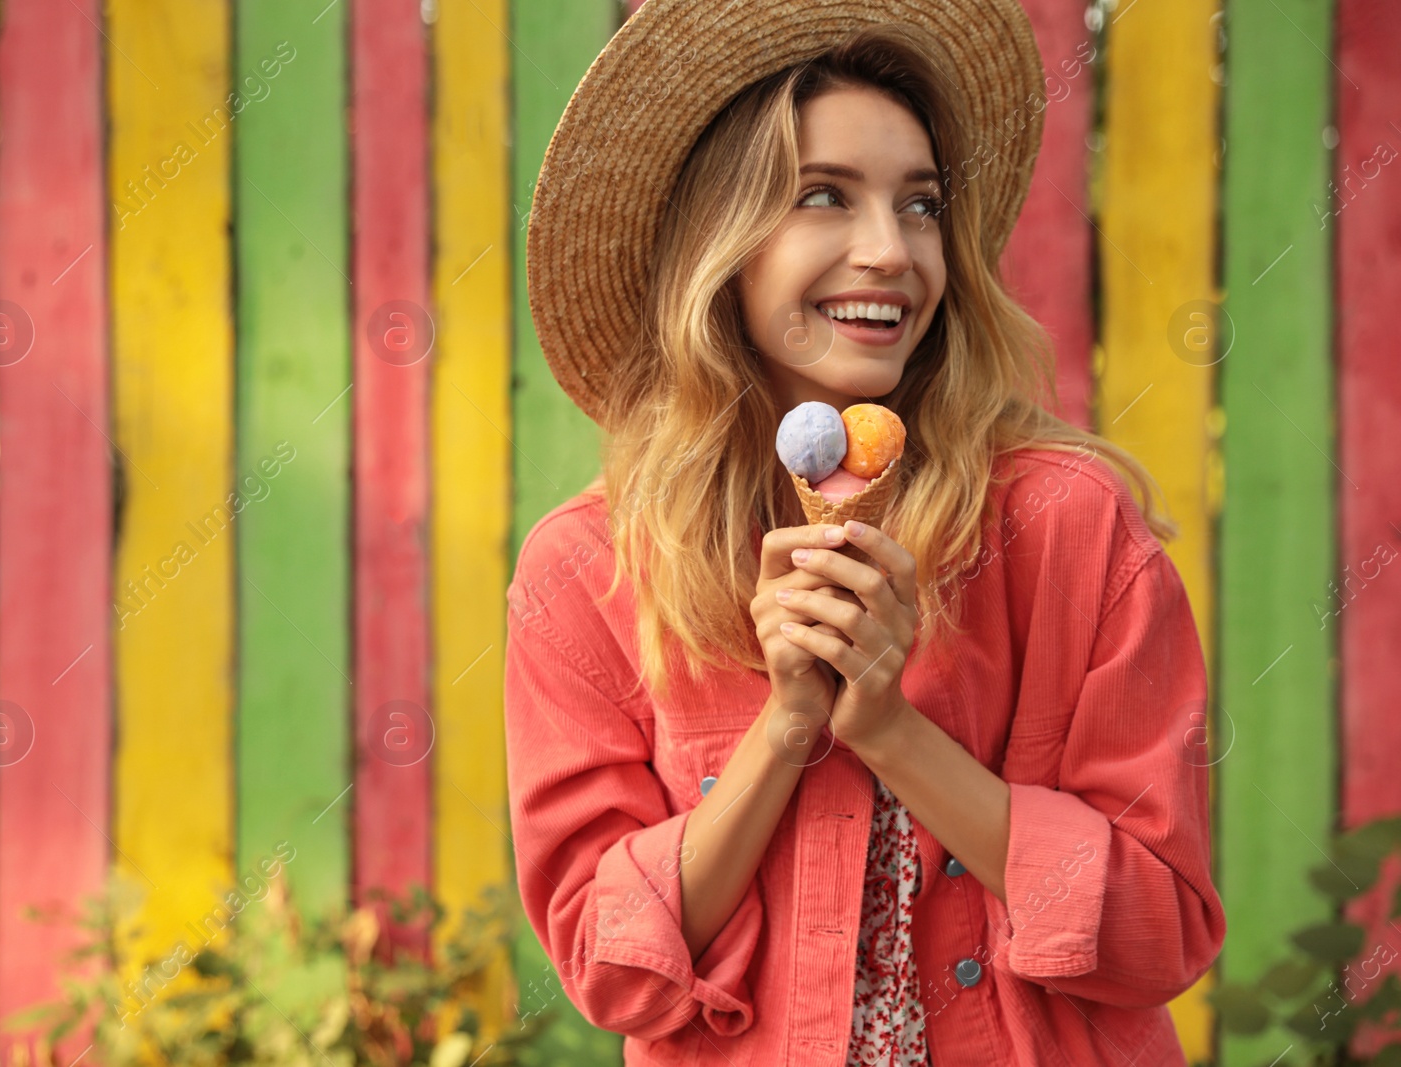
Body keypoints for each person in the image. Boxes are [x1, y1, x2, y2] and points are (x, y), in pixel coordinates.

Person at [504, 1, 1226, 1063]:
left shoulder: (1070, 526)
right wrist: (788, 725)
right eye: (823, 197)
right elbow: (608, 965)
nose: (891, 251)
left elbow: (1156, 933)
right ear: (718, 243)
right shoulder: (590, 573)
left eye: (921, 205)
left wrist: (890, 727)